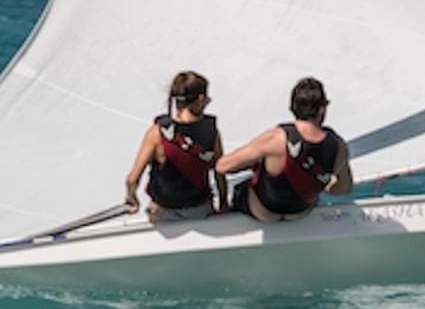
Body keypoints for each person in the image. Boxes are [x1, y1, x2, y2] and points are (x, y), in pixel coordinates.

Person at [217, 77, 353, 222]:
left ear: (293, 107)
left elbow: (222, 166)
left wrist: (254, 163)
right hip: (300, 213)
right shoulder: (339, 147)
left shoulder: (275, 138)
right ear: (323, 108)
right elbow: (343, 188)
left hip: (264, 212)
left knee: (243, 187)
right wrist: (320, 184)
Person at [123, 71, 226, 221]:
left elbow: (132, 179)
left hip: (162, 211)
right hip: (198, 210)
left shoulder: (156, 133)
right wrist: (223, 203)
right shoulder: (211, 132)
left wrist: (131, 196)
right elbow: (220, 172)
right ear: (200, 99)